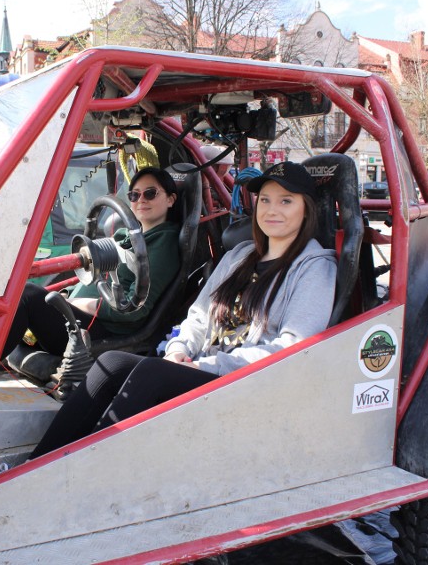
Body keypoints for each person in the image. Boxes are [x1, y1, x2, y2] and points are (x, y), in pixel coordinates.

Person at [31, 161, 337, 458]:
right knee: (112, 363)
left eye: (286, 201)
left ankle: (85, 466)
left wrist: (207, 366)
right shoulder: (241, 255)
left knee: (151, 373)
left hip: (248, 381)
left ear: (306, 208)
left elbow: (292, 349)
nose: (272, 209)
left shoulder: (314, 268)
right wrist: (177, 351)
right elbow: (200, 315)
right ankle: (40, 462)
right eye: (265, 200)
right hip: (205, 368)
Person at [2, 167, 182, 359]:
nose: (141, 200)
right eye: (134, 195)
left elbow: (135, 310)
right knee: (20, 292)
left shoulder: (163, 244)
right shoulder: (128, 237)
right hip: (80, 317)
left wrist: (77, 303)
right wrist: (66, 295)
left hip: (99, 332)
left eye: (150, 193)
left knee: (28, 295)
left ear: (170, 199)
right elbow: (95, 277)